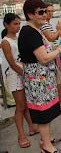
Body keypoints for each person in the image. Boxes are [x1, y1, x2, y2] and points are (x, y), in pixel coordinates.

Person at [18, 0, 61, 153]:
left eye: (45, 11)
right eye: (40, 12)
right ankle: (47, 147)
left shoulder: (35, 30)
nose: (45, 15)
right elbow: (43, 57)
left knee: (47, 110)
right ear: (29, 14)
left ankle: (46, 139)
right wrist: (59, 50)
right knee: (43, 112)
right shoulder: (29, 32)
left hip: (45, 79)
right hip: (38, 80)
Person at [1, 13, 38, 148]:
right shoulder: (5, 42)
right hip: (15, 75)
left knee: (27, 104)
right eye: (15, 24)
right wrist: (26, 74)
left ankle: (32, 127)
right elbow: (12, 63)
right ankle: (21, 135)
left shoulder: (18, 38)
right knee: (20, 106)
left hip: (24, 72)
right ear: (6, 25)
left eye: (19, 23)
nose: (18, 26)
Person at [40, 4, 61, 110]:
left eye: (52, 11)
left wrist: (58, 30)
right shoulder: (45, 25)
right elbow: (50, 38)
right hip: (52, 54)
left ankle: (58, 101)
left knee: (56, 79)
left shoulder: (48, 24)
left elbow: (54, 38)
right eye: (48, 11)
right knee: (57, 80)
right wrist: (59, 29)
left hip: (54, 53)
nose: (50, 13)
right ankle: (60, 102)